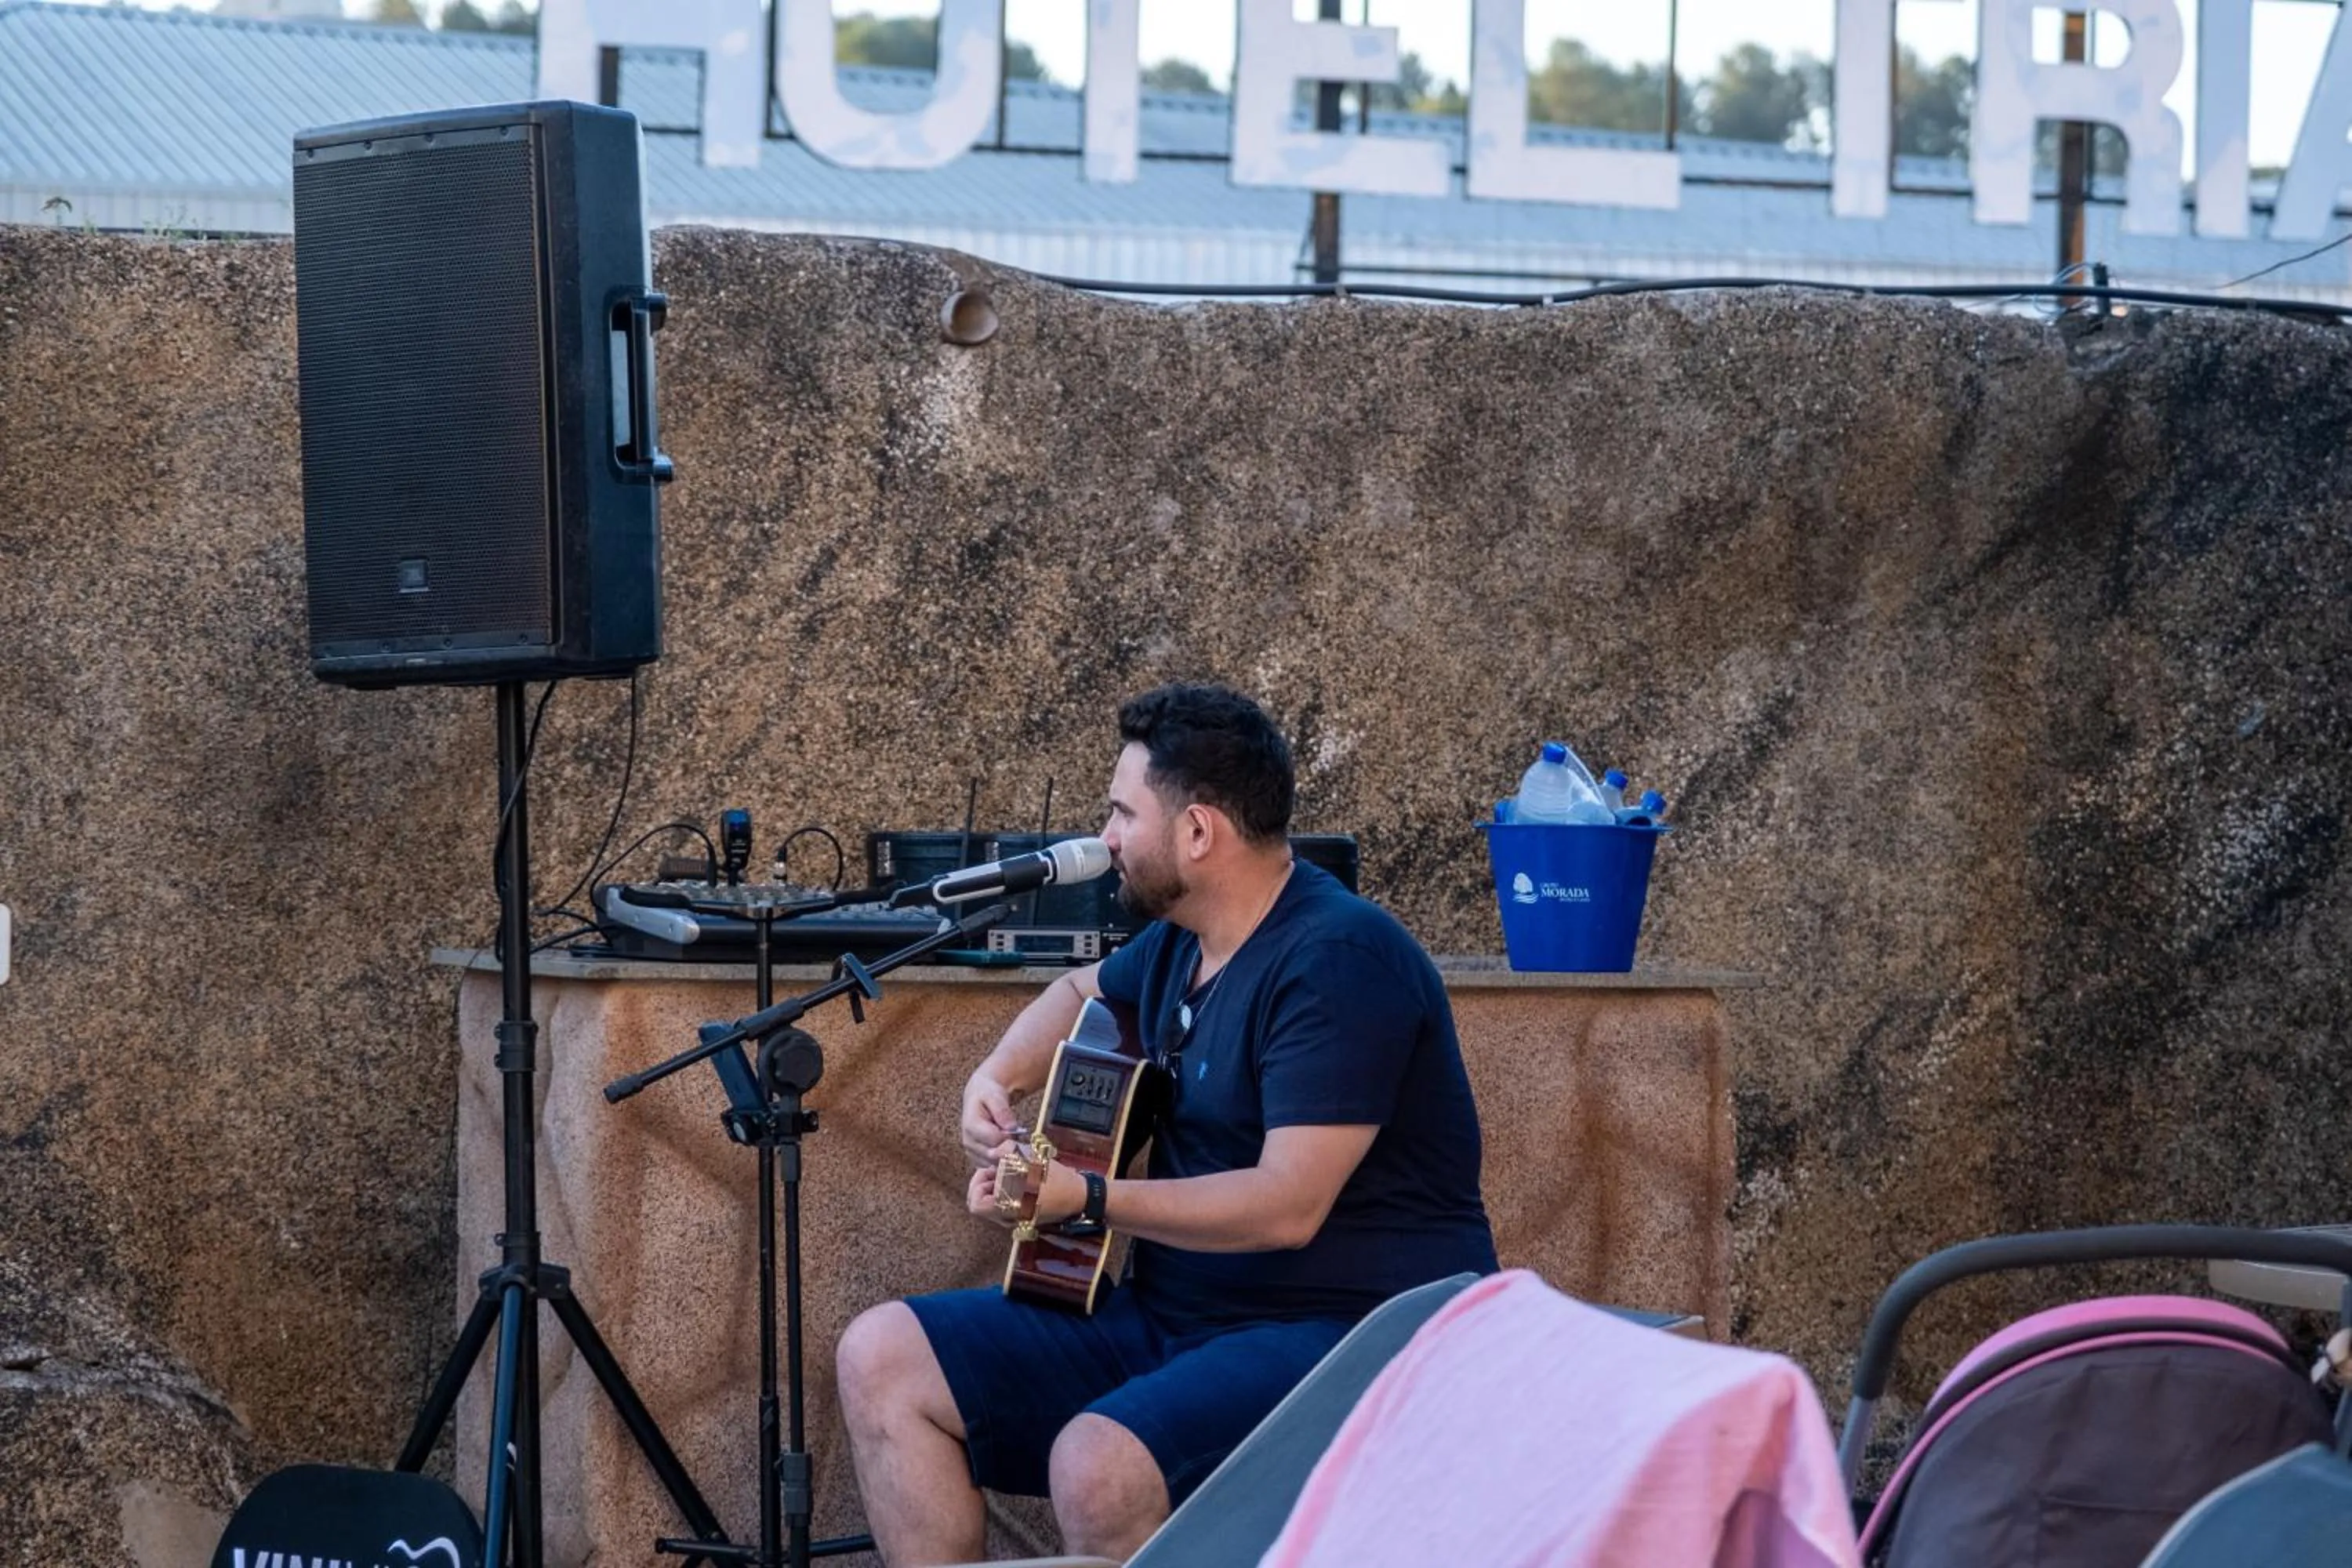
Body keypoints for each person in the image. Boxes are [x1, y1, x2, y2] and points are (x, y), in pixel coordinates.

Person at [836, 684, 1497, 1566]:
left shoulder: (1339, 959)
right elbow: (1080, 991)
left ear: (1197, 832)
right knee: (883, 1356)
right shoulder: (1187, 937)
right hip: (1178, 1316)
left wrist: (1089, 1195)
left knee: (1098, 1465)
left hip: (1351, 1335)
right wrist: (996, 1077)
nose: (1105, 837)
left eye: (1121, 812)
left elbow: (1286, 1204)